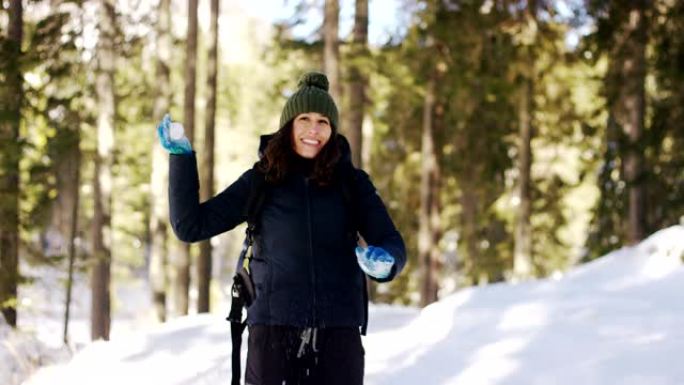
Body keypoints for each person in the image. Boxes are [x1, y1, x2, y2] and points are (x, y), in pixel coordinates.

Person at [157, 71, 406, 385]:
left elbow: (391, 240)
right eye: (304, 119)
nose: (313, 130)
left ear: (333, 129)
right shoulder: (262, 180)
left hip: (338, 339)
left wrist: (388, 263)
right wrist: (181, 158)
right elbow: (190, 226)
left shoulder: (352, 183)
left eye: (323, 122)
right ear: (288, 124)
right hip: (273, 337)